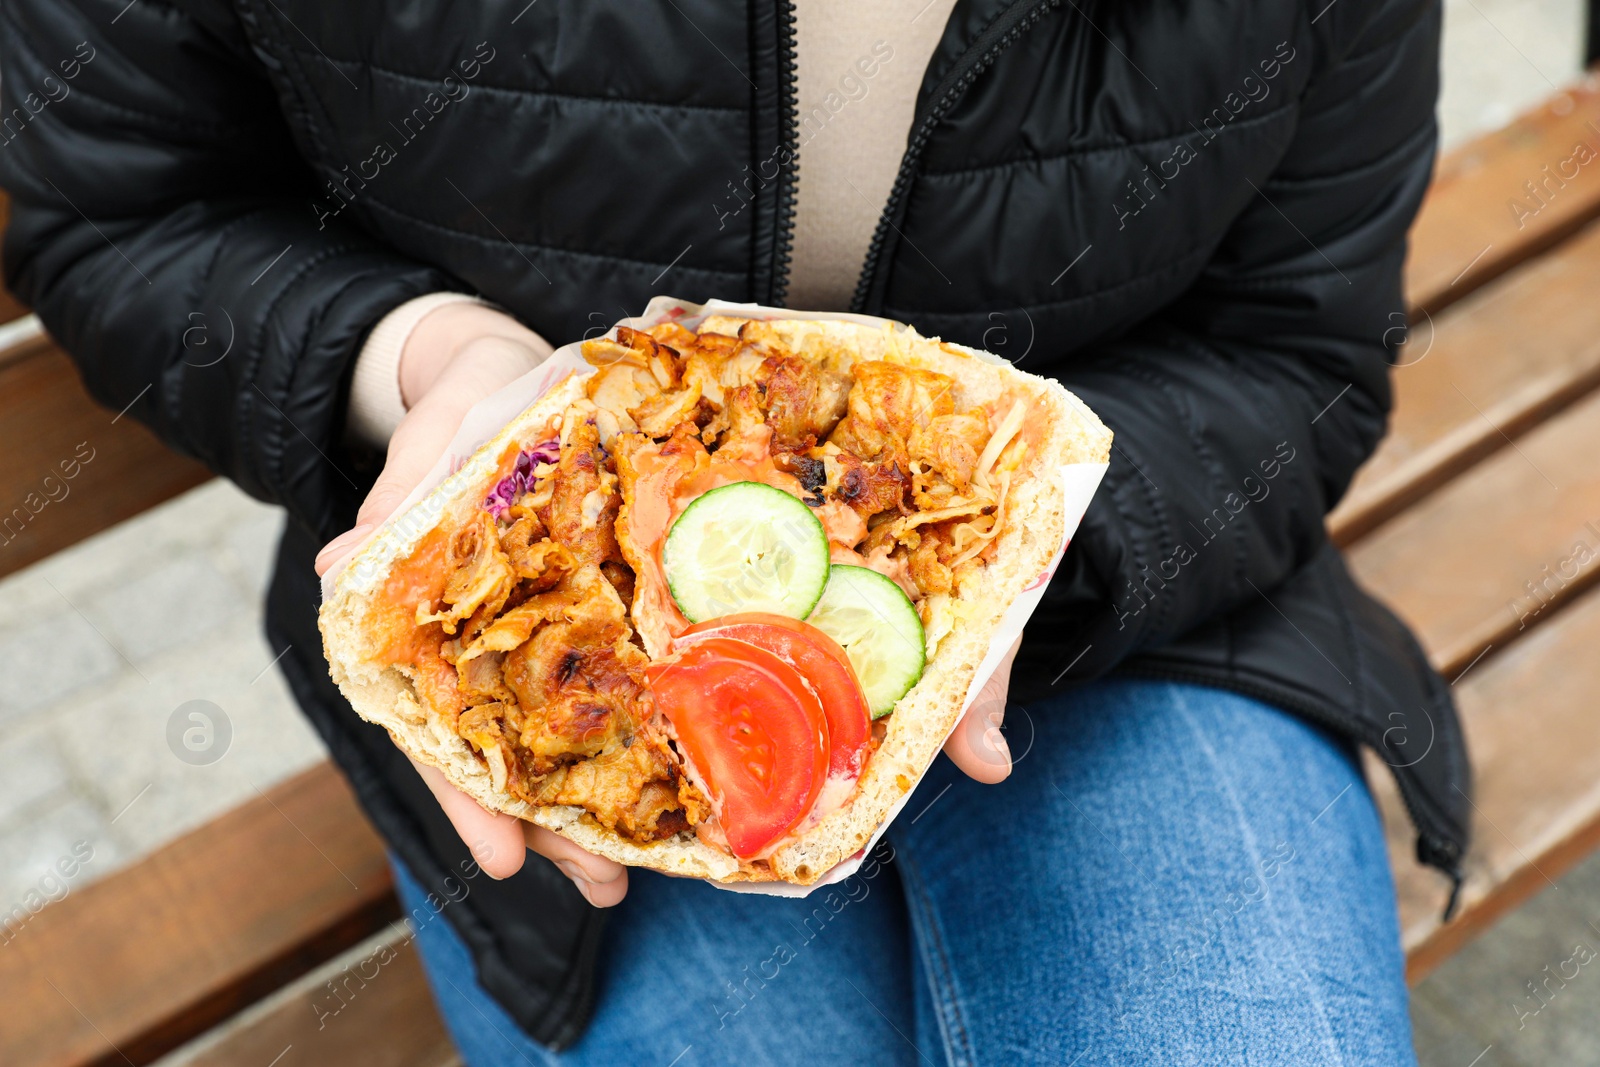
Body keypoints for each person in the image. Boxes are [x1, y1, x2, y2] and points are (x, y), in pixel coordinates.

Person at [1, 0, 1466, 1062]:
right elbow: (119, 209)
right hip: (566, 689)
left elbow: (1300, 349)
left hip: (1126, 611)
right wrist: (428, 357)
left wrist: (1027, 556)